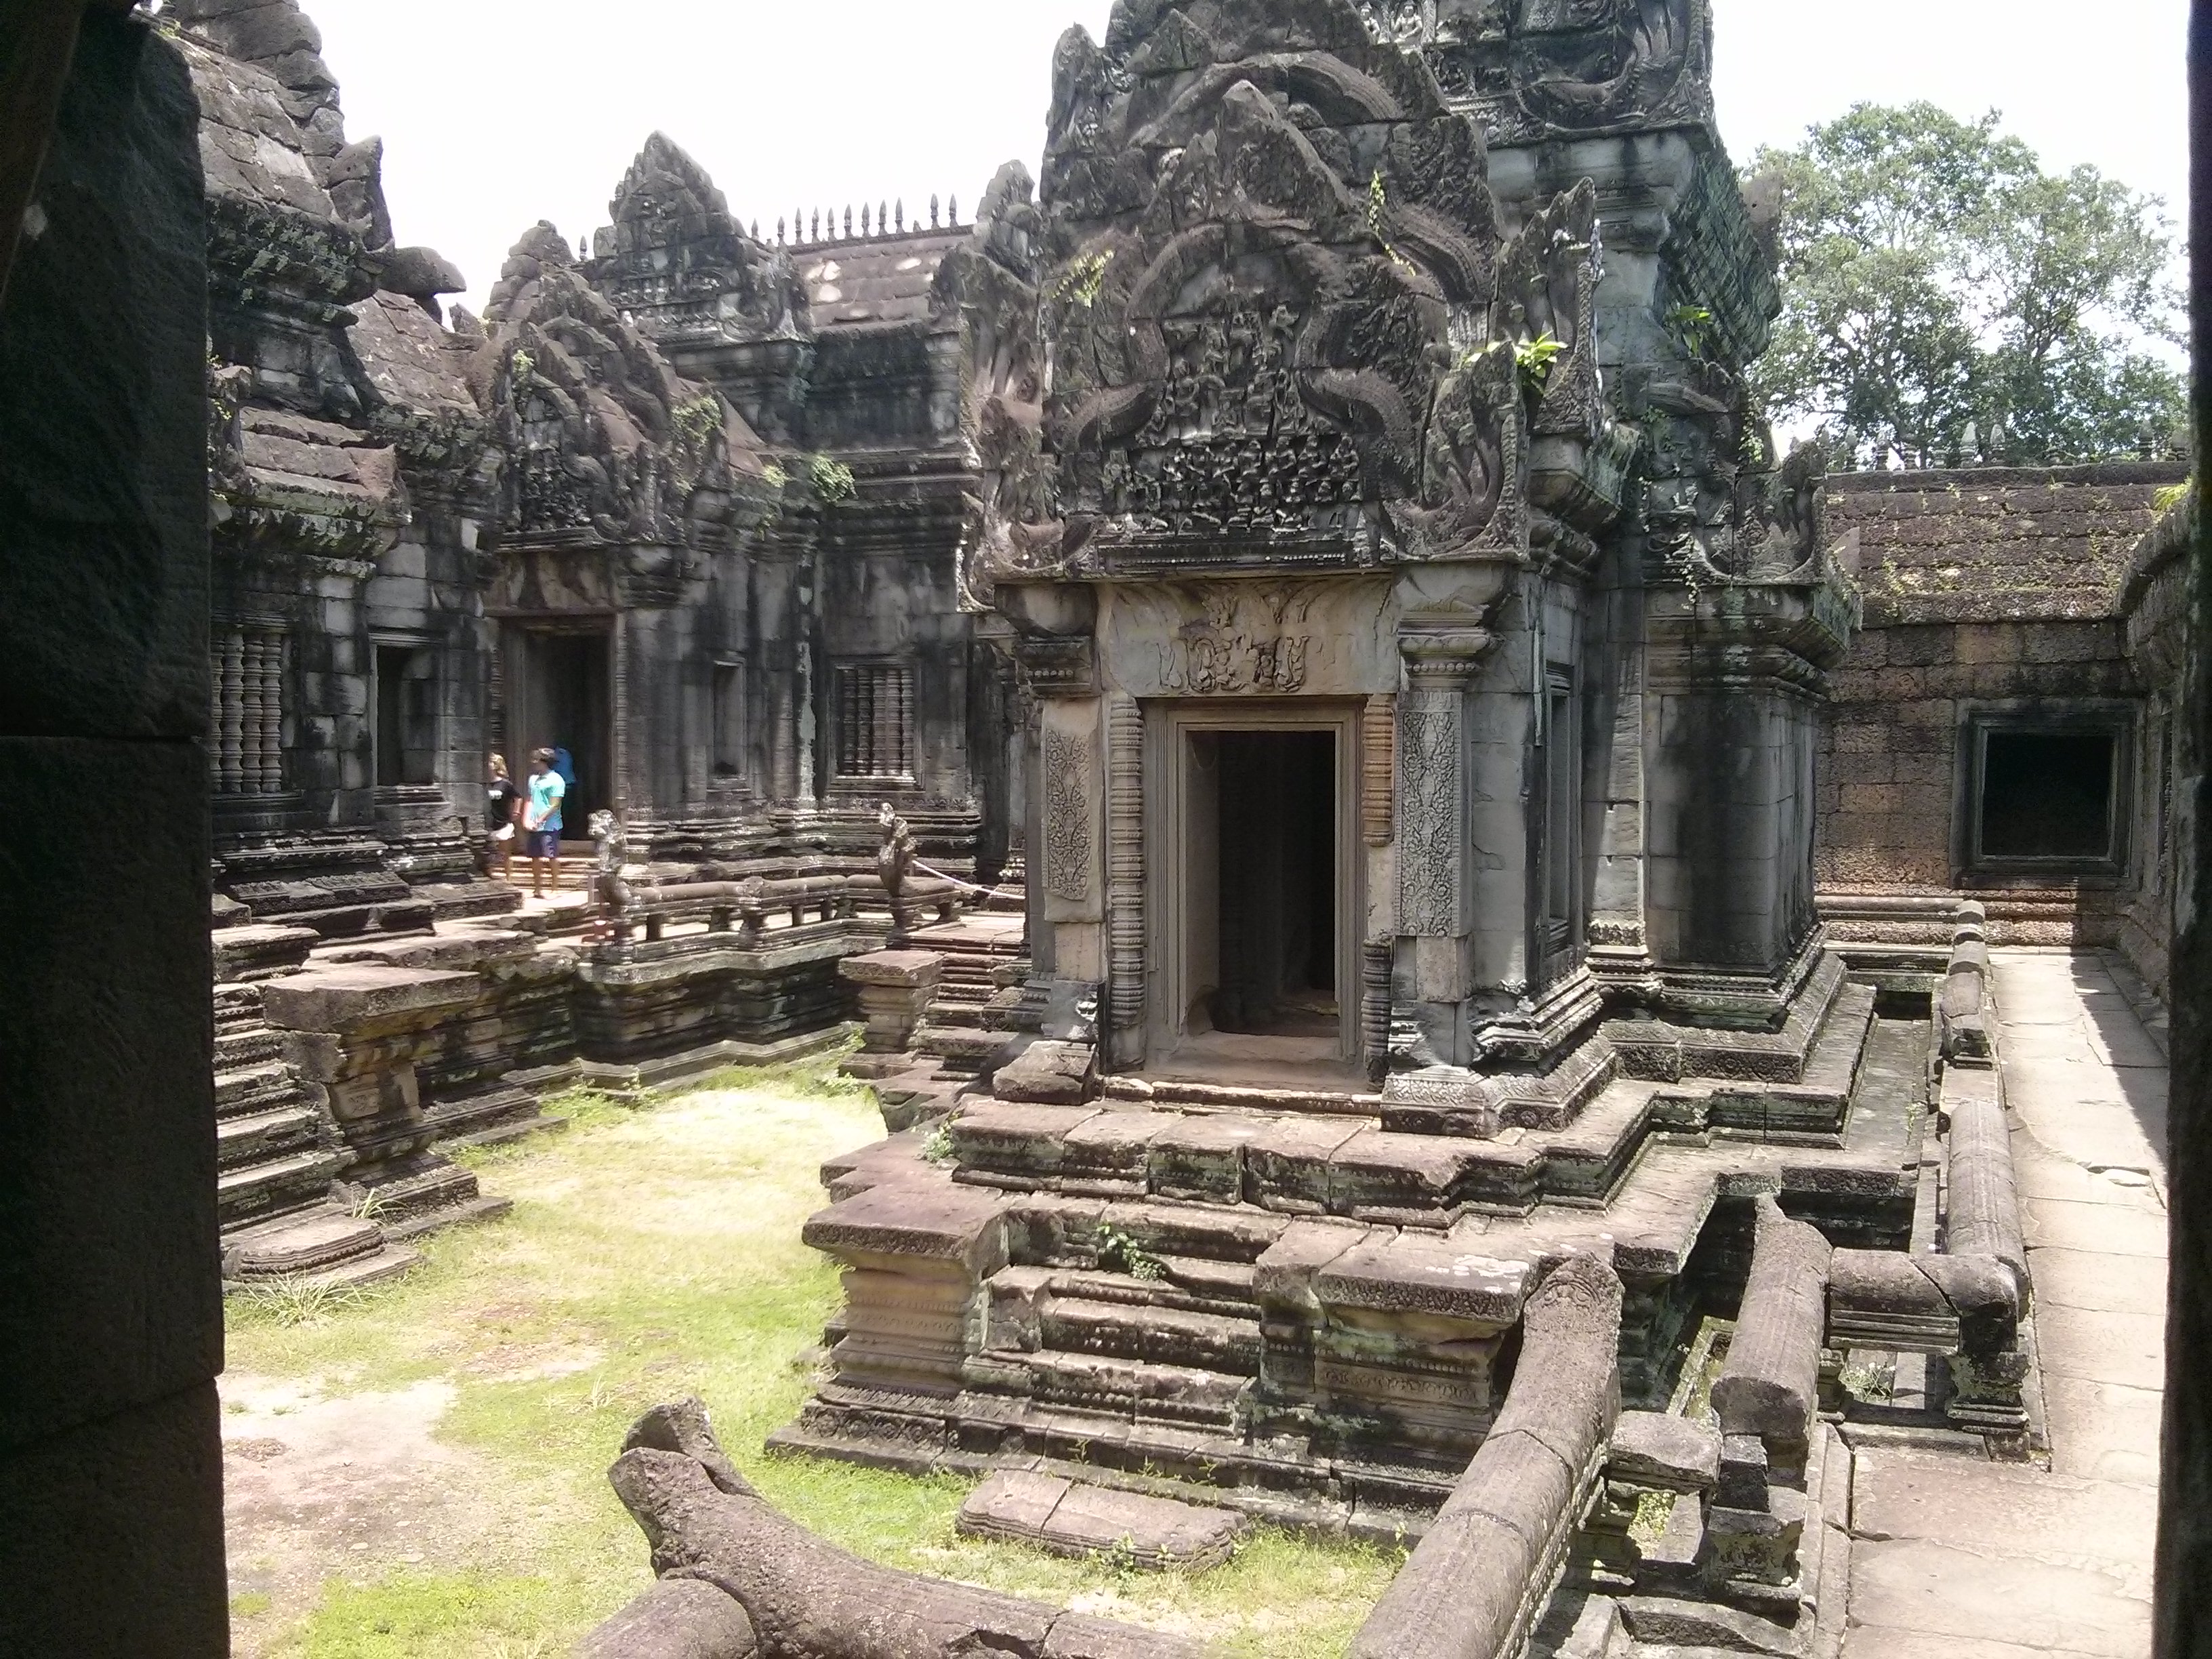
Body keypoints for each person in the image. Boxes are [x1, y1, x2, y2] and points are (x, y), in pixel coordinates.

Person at [523, 747, 567, 897]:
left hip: (550, 825)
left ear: (545, 762)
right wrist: (526, 818)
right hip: (534, 824)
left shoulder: (556, 780)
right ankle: (538, 888)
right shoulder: (533, 779)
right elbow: (529, 800)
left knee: (551, 856)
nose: (534, 762)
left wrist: (541, 819)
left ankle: (555, 888)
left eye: (537, 760)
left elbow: (555, 804)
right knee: (534, 856)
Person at [485, 754, 523, 884]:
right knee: (487, 853)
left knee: (505, 853)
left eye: (489, 762)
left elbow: (517, 797)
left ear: (496, 765)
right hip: (488, 822)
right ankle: (489, 876)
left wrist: (516, 811)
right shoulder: (483, 784)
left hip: (503, 822)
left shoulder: (505, 784)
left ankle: (508, 878)